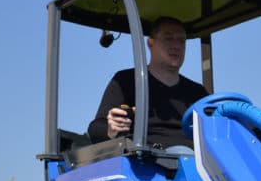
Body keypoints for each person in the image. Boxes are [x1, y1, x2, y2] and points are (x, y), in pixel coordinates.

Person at [88, 16, 208, 148]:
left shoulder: (198, 93)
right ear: (151, 43)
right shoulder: (126, 81)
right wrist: (111, 130)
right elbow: (95, 129)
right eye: (168, 39)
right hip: (146, 162)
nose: (176, 46)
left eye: (181, 41)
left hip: (194, 163)